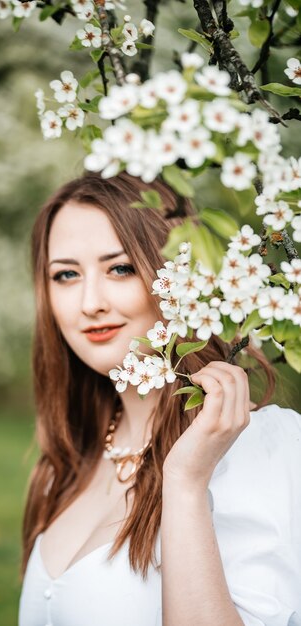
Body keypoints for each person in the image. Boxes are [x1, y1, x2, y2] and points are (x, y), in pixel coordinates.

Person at [18, 171, 301, 626]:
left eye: (121, 268)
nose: (90, 302)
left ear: (177, 278)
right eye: (66, 275)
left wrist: (186, 486)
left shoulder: (256, 447)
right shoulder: (70, 460)